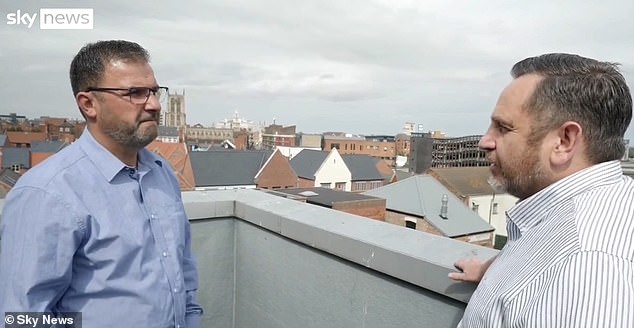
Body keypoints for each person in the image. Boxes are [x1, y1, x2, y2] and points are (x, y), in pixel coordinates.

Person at [0, 40, 203, 327]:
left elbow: (184, 275)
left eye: (155, 92)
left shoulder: (162, 174)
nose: (155, 105)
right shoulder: (47, 193)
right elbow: (26, 316)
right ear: (88, 104)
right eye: (136, 93)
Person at [454, 53, 634, 327]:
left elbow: (578, 265)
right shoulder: (608, 202)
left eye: (503, 127)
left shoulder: (589, 266)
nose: (485, 141)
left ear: (564, 141)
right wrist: (495, 271)